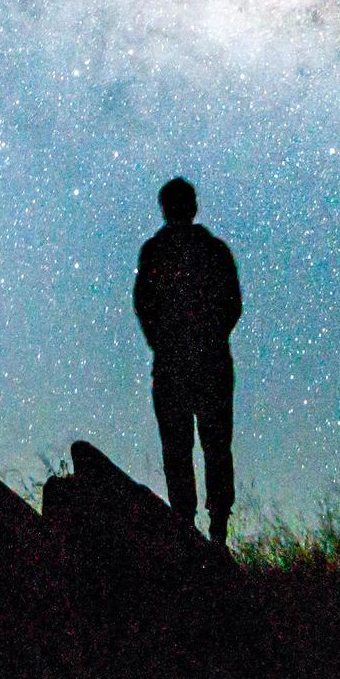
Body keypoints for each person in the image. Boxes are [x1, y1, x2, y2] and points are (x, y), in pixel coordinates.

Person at [133, 176, 243, 546]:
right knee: (212, 445)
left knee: (182, 447)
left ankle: (192, 527)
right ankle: (214, 531)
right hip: (206, 361)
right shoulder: (213, 250)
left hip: (177, 364)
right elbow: (232, 305)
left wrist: (165, 344)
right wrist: (207, 339)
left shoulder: (156, 252)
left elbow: (144, 306)